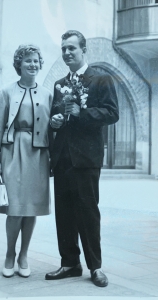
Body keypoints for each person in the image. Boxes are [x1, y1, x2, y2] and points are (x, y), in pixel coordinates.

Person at [45, 30, 119, 287]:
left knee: (88, 213)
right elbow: (56, 117)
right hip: (63, 158)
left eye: (71, 48)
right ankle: (69, 263)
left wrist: (82, 112)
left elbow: (111, 113)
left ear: (83, 50)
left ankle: (95, 267)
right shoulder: (59, 84)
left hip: (87, 159)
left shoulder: (101, 80)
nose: (66, 53)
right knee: (63, 213)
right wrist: (54, 122)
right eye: (63, 48)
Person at [0, 44, 52, 278]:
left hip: (38, 155)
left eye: (36, 60)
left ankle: (24, 255)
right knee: (14, 209)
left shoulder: (47, 94)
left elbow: (52, 129)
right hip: (12, 152)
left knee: (31, 209)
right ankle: (9, 253)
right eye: (28, 60)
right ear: (19, 64)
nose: (33, 64)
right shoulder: (6, 91)